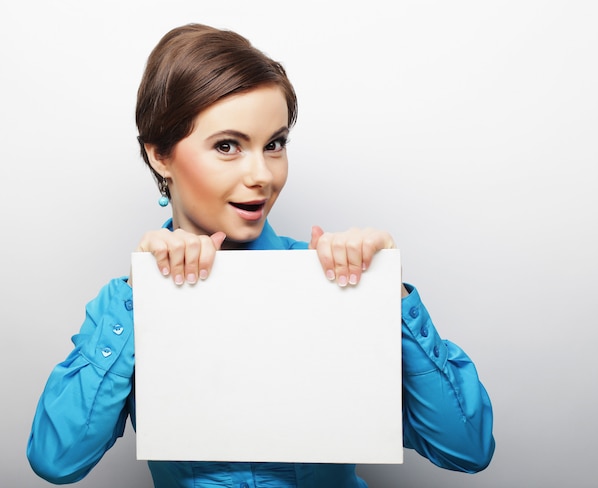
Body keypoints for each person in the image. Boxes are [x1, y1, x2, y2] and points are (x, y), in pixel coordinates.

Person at [26, 23, 495, 488]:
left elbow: (467, 450)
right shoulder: (132, 302)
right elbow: (57, 460)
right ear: (160, 156)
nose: (261, 175)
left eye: (275, 144)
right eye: (227, 146)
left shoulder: (333, 281)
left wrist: (387, 291)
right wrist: (139, 290)